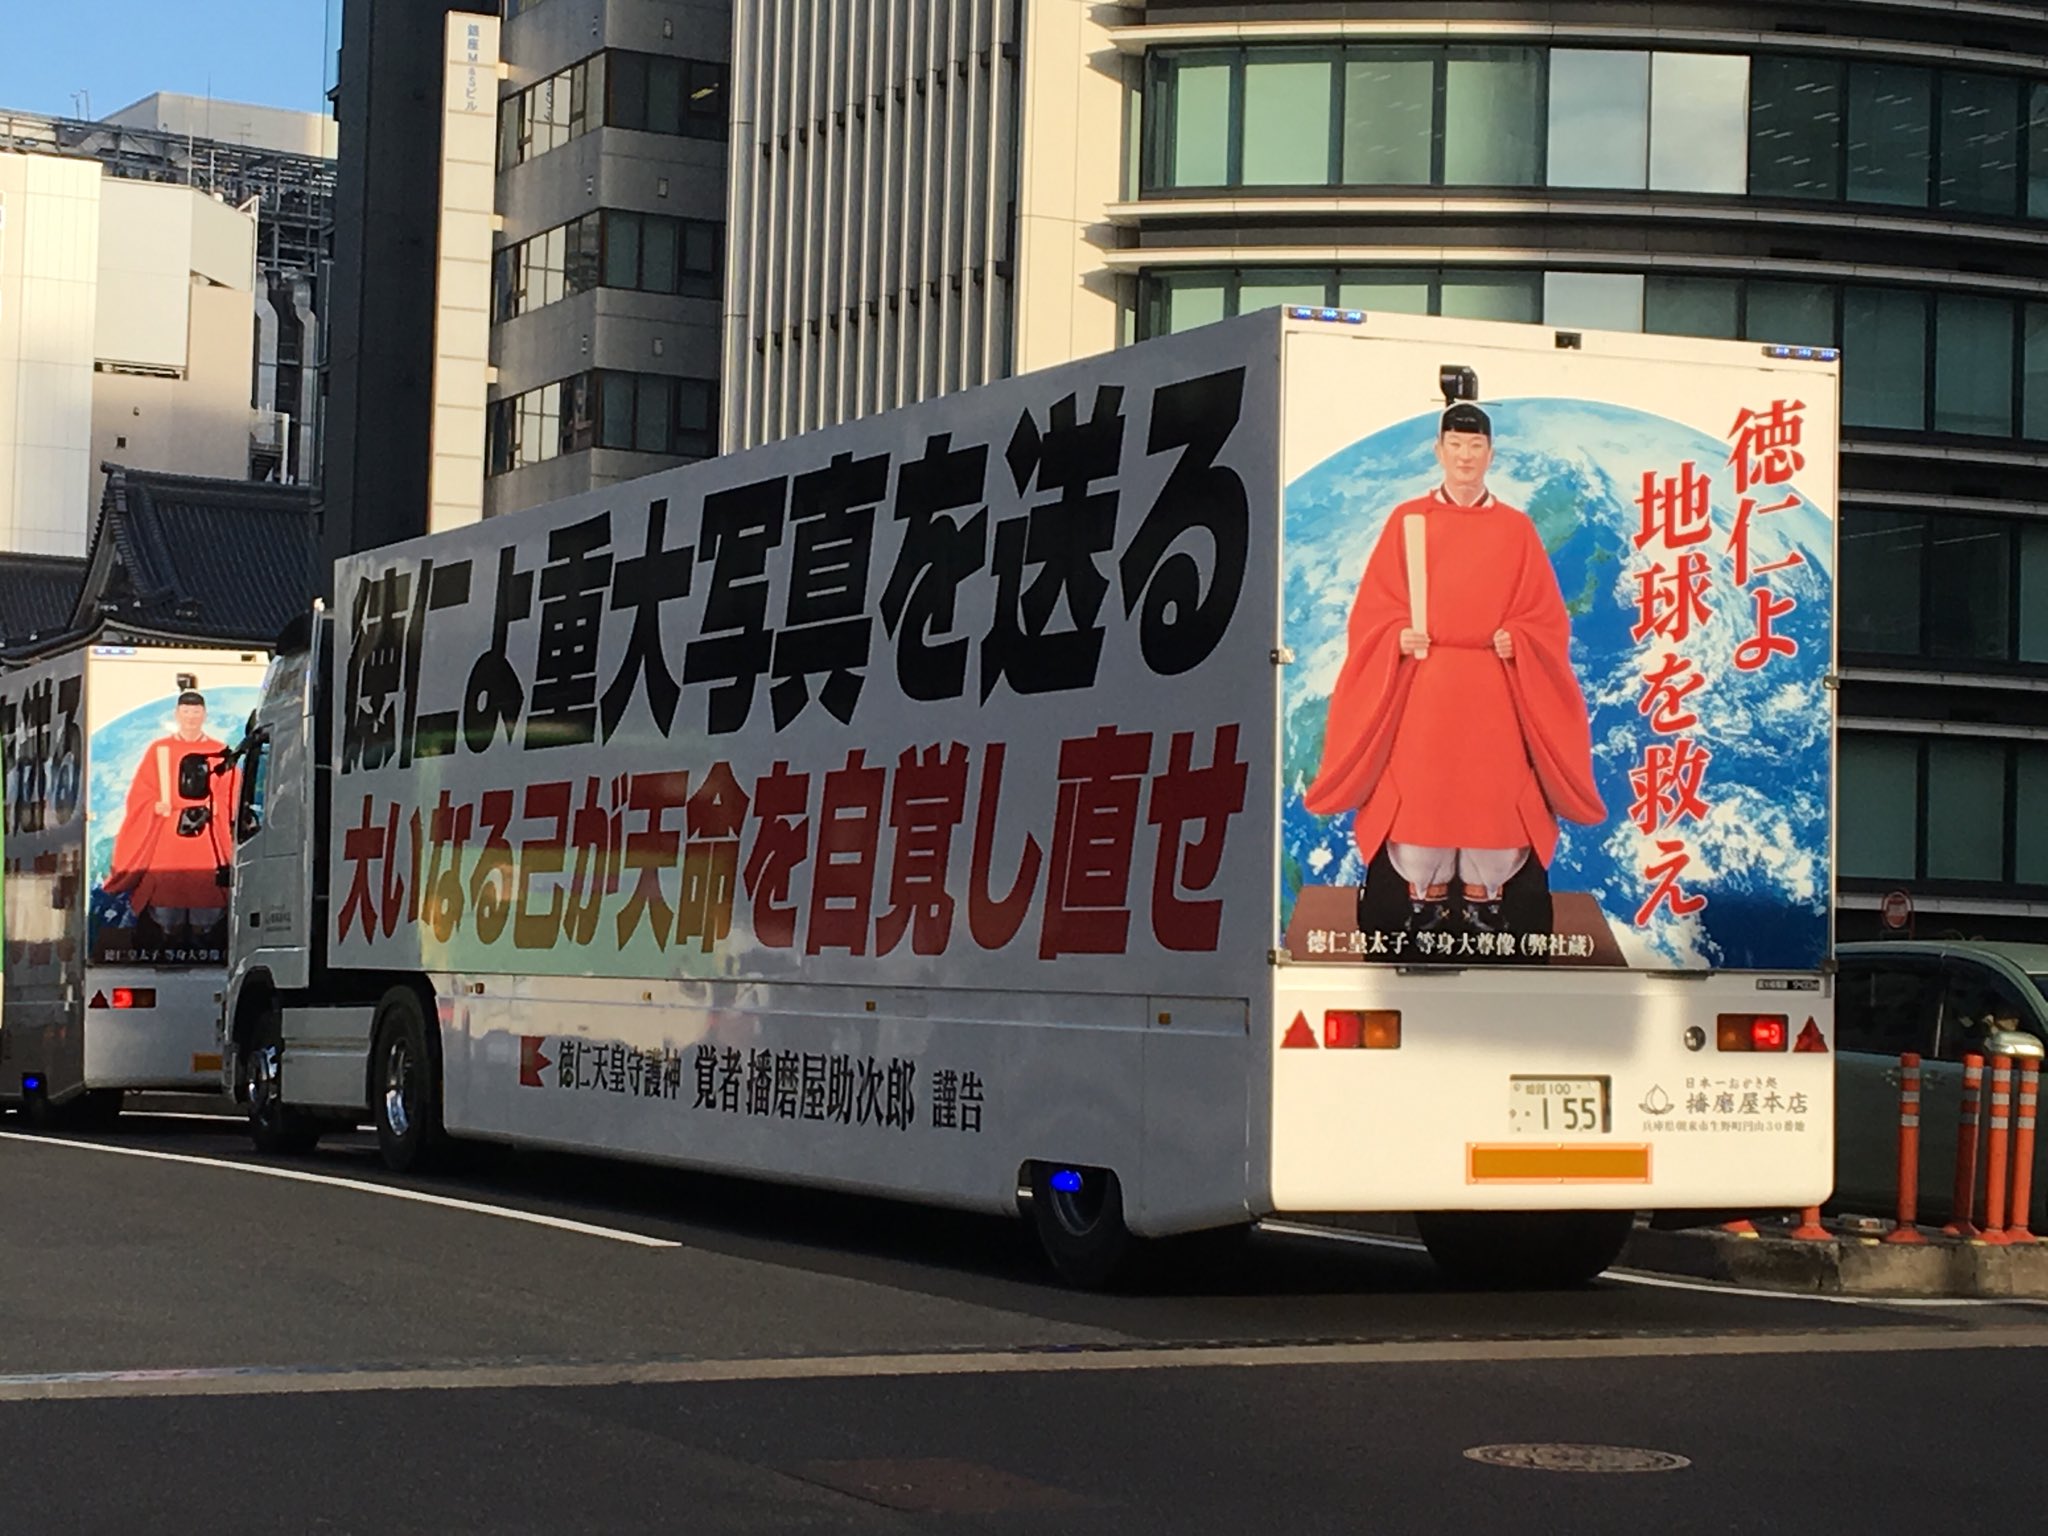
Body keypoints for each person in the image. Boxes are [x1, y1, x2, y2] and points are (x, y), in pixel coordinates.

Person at [1304, 400, 1605, 940]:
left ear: (1491, 454)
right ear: (1438, 451)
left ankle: (1490, 901)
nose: (1465, 456)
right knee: (1422, 798)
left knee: (1495, 801)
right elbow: (1372, 610)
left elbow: (1546, 616)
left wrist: (1522, 638)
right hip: (1427, 684)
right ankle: (1421, 898)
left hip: (1493, 689)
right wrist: (1396, 634)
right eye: (1456, 445)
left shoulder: (1516, 529)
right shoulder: (1408, 522)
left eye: (1476, 446)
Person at [103, 689, 237, 954]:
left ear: (204, 714)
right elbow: (141, 793)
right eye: (186, 711)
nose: (191, 717)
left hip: (206, 839)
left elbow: (232, 791)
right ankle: (163, 941)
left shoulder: (219, 751)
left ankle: (207, 942)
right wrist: (154, 805)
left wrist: (217, 808)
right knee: (165, 905)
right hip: (168, 836)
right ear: (177, 714)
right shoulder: (160, 750)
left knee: (207, 904)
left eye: (196, 712)